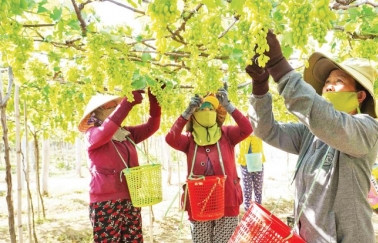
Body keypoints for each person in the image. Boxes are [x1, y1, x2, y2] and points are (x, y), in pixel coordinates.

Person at [245, 30, 378, 243]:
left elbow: (325, 119)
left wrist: (279, 65)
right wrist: (260, 88)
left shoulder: (367, 129)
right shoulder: (310, 134)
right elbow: (265, 130)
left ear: (359, 96)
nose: (328, 85)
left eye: (338, 81)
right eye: (327, 81)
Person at [165, 88, 252, 243]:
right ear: (194, 115)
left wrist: (229, 105)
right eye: (201, 109)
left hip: (227, 202)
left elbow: (247, 128)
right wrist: (186, 112)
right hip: (199, 204)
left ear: (217, 112)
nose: (206, 111)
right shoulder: (189, 139)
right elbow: (170, 139)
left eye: (210, 108)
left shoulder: (227, 134)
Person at [77, 88, 162, 242]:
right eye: (111, 105)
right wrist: (127, 104)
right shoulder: (92, 134)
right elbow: (105, 131)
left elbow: (152, 126)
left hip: (132, 199)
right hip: (105, 203)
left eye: (118, 105)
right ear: (97, 112)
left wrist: (155, 100)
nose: (117, 107)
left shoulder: (125, 133)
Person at [237, 132, 266, 212]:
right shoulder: (241, 123)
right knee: (247, 190)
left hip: (258, 161)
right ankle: (248, 213)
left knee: (258, 190)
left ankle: (258, 213)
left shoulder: (258, 123)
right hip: (245, 162)